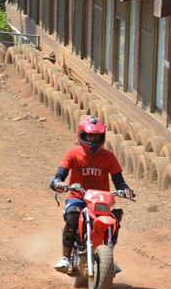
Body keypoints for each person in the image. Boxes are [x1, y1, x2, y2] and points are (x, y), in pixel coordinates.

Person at [49, 116, 134, 274]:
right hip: (78, 198)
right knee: (73, 215)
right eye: (90, 136)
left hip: (101, 200)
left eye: (97, 136)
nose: (94, 140)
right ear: (82, 135)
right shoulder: (73, 154)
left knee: (115, 218)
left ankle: (109, 257)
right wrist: (58, 182)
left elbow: (119, 181)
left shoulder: (109, 156)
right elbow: (59, 175)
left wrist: (125, 189)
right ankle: (65, 258)